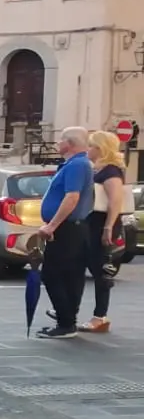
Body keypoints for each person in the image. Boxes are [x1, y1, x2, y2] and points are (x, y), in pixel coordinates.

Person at [36, 126, 95, 340]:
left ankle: (66, 322)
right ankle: (67, 319)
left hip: (67, 229)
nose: (58, 143)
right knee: (70, 275)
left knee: (53, 274)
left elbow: (72, 197)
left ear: (69, 143)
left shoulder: (77, 165)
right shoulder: (75, 164)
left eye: (60, 139)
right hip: (71, 228)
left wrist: (52, 225)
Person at [81, 130, 129, 333]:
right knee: (89, 264)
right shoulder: (98, 169)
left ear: (100, 148)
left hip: (103, 223)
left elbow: (115, 200)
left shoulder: (111, 171)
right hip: (93, 222)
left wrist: (109, 227)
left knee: (100, 268)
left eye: (90, 145)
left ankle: (100, 316)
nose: (87, 149)